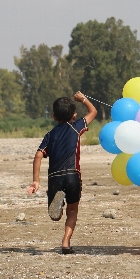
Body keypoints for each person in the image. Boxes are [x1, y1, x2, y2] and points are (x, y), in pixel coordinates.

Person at [27, 92, 97, 254]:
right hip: (73, 175)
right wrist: (84, 99)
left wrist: (35, 181)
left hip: (54, 177)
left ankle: (56, 208)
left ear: (53, 117)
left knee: (55, 216)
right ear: (74, 115)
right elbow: (93, 112)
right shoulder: (76, 126)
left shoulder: (50, 135)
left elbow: (38, 155)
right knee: (73, 210)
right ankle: (66, 242)